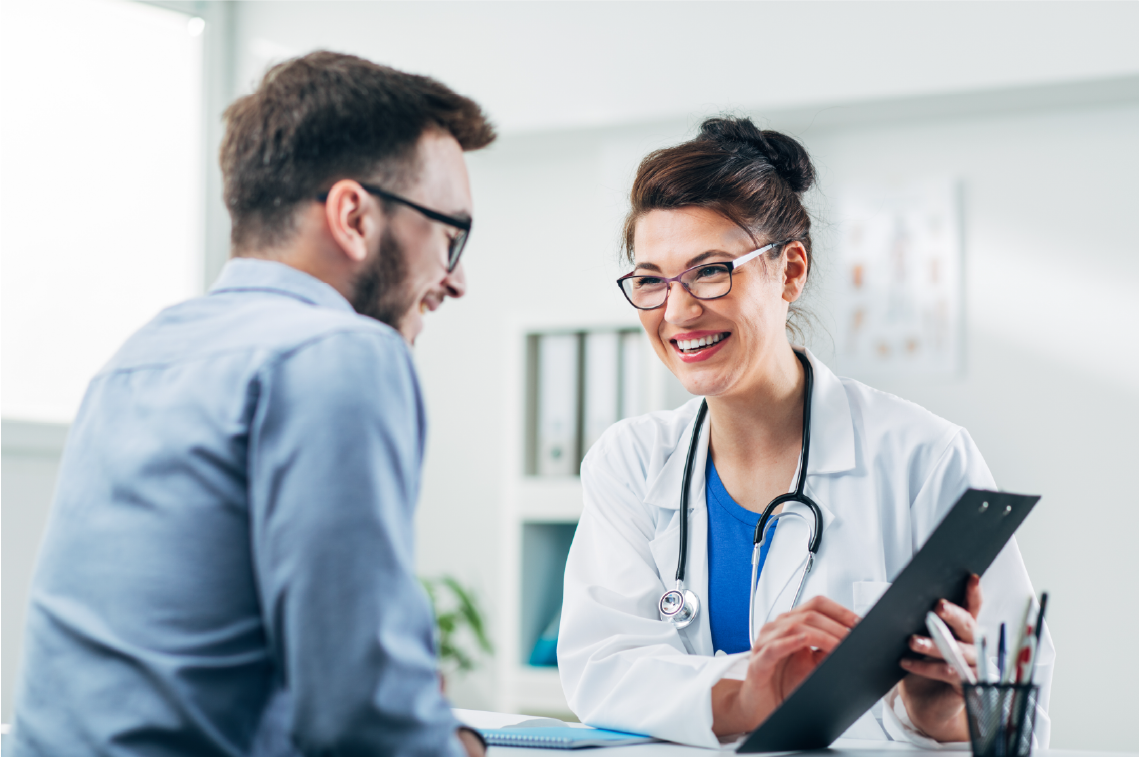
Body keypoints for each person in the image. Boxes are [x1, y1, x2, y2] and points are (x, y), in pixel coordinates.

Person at [10, 52, 494, 757]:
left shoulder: (140, 354)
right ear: (353, 216)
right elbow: (362, 718)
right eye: (449, 236)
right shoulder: (340, 352)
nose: (455, 281)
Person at [557, 117, 1054, 748]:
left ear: (790, 271)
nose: (678, 311)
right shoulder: (628, 462)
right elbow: (604, 671)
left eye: (711, 270)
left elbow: (1016, 714)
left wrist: (937, 714)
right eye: (652, 280)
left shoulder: (924, 458)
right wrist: (747, 695)